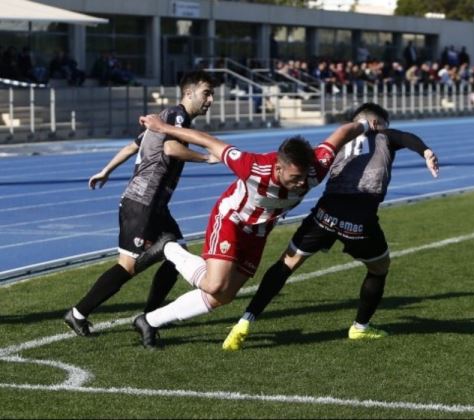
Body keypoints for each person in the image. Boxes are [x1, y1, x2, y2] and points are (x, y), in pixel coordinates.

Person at [130, 110, 384, 348]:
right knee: (214, 284)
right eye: (295, 178)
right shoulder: (252, 166)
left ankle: (149, 321)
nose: (302, 183)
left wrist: (364, 125)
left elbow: (340, 134)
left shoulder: (316, 166)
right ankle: (170, 248)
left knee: (224, 297)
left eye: (305, 177)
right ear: (278, 167)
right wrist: (162, 126)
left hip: (260, 232)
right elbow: (207, 140)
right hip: (232, 219)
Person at [221, 103, 439, 351]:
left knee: (286, 264)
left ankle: (244, 322)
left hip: (325, 212)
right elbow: (406, 137)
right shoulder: (382, 135)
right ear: (375, 123)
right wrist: (426, 151)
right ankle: (360, 328)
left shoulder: (338, 141)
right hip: (359, 216)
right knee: (379, 269)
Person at [63, 71, 218, 336]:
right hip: (143, 203)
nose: (211, 100)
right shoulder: (177, 117)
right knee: (128, 266)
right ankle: (78, 313)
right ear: (189, 92)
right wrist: (207, 158)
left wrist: (106, 171)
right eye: (207, 93)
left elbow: (132, 146)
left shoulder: (167, 118)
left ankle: (150, 318)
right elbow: (171, 150)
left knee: (176, 256)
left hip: (155, 205)